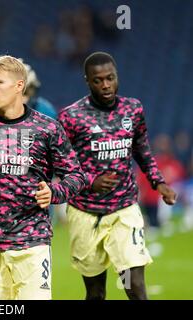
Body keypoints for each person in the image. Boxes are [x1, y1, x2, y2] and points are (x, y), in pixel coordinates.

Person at [0, 55, 87, 300]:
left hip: (32, 241)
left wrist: (54, 193)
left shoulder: (47, 128)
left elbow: (76, 175)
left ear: (19, 86)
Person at [58, 51, 177, 300]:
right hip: (85, 211)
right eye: (98, 80)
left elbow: (141, 148)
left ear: (117, 77)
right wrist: (91, 181)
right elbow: (60, 163)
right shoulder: (71, 117)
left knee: (134, 287)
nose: (105, 85)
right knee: (96, 292)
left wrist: (158, 181)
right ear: (87, 81)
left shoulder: (132, 109)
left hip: (124, 208)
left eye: (110, 78)